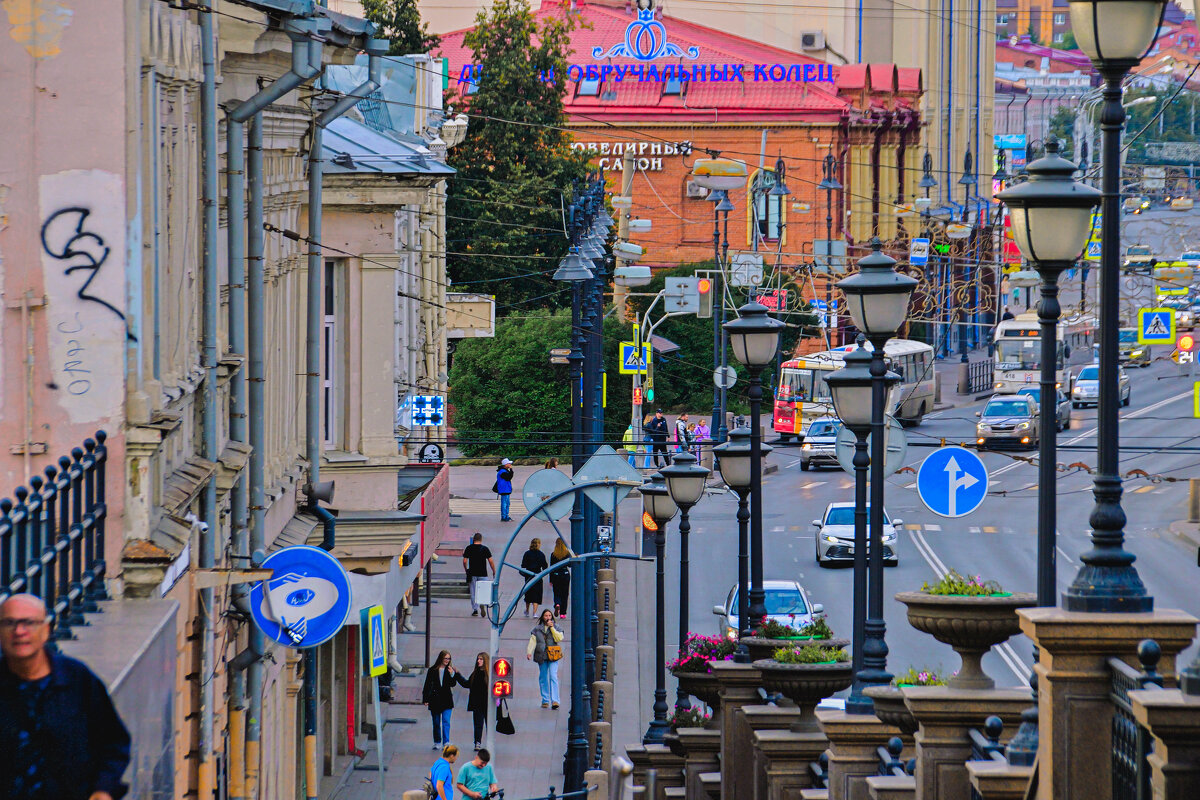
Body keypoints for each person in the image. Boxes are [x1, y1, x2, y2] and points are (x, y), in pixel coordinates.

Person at [0, 593, 131, 800]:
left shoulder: (77, 680)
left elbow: (113, 743)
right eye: (9, 623)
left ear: (45, 630)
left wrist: (103, 789)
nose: (19, 631)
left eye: (29, 623)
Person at [423, 650, 469, 749]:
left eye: (449, 658)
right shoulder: (432, 670)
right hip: (435, 699)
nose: (447, 660)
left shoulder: (450, 670)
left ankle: (446, 741)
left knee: (446, 721)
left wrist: (453, 674)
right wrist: (425, 699)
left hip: (446, 699)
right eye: (445, 658)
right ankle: (437, 741)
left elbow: (453, 684)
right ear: (441, 658)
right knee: (436, 722)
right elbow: (427, 685)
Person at [526, 608, 564, 709]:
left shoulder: (556, 627)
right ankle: (545, 700)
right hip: (541, 655)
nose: (548, 618)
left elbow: (559, 638)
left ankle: (555, 700)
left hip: (553, 655)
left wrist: (552, 628)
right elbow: (533, 641)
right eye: (546, 616)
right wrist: (529, 652)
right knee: (543, 677)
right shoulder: (537, 629)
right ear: (543, 617)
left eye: (549, 616)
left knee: (553, 676)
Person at [462, 533, 495, 617]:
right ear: (481, 539)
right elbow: (491, 561)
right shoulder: (485, 549)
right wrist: (494, 571)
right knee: (483, 591)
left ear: (473, 539)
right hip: (483, 573)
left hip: (472, 573)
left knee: (473, 592)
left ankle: (475, 609)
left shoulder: (469, 548)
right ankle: (482, 603)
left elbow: (465, 561)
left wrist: (466, 570)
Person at [465, 653, 489, 751]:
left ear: (485, 661)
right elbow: (467, 684)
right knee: (478, 724)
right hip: (478, 703)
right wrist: (456, 675)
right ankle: (477, 742)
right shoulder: (475, 673)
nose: (478, 661)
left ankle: (489, 742)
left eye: (481, 659)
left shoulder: (489, 674)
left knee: (489, 724)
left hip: (487, 703)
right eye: (478, 659)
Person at [519, 538, 549, 617]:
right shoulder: (541, 554)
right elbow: (545, 566)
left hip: (529, 575)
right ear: (539, 544)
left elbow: (523, 565)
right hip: (537, 576)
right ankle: (535, 612)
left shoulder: (527, 553)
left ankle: (527, 610)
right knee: (536, 594)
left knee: (528, 593)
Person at [548, 539, 571, 619]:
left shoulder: (553, 554)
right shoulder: (567, 554)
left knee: (557, 592)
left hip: (556, 575)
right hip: (565, 574)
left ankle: (557, 604)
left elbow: (551, 568)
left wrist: (550, 580)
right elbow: (570, 565)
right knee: (565, 594)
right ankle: (563, 613)